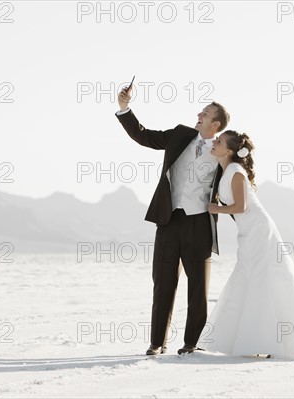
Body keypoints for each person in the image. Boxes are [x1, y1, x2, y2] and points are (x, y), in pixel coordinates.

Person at [205, 130, 294, 359]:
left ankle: (259, 342)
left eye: (219, 141)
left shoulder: (235, 172)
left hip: (259, 231)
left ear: (230, 151)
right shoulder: (225, 170)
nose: (214, 142)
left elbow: (241, 207)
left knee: (260, 279)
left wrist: (216, 209)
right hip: (248, 232)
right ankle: (248, 340)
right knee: (249, 277)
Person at [115, 84, 230, 355]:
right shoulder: (180, 135)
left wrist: (229, 210)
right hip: (168, 220)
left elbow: (234, 183)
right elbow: (145, 137)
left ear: (215, 123)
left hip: (199, 223)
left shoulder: (223, 150)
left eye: (205, 112)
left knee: (198, 289)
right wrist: (125, 109)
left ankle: (191, 343)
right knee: (163, 283)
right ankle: (157, 342)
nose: (198, 114)